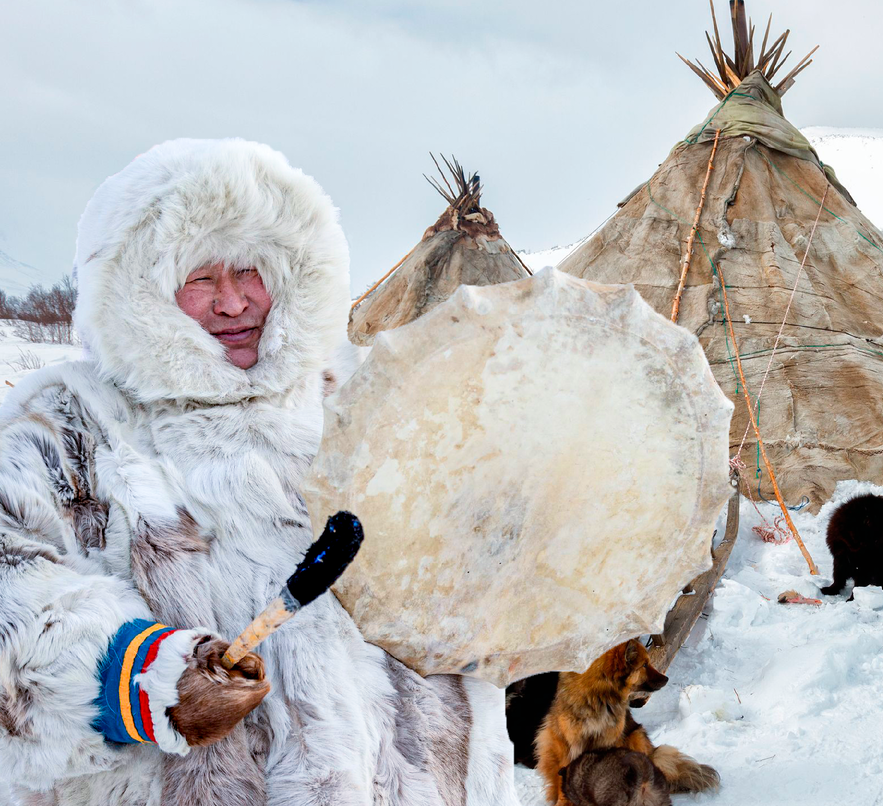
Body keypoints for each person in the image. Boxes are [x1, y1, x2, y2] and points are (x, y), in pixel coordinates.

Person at [0, 139, 519, 806]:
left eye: (251, 270)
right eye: (199, 279)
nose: (234, 302)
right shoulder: (71, 425)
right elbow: (12, 590)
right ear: (142, 293)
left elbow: (439, 579)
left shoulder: (354, 405)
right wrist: (141, 676)